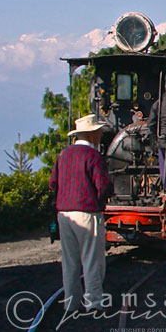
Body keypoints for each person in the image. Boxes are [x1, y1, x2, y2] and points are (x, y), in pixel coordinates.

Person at [49, 114, 114, 313]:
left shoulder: (64, 155)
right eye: (99, 132)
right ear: (93, 134)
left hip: (64, 213)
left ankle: (71, 303)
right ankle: (93, 302)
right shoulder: (93, 156)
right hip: (87, 211)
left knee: (70, 261)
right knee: (92, 259)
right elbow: (102, 186)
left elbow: (53, 183)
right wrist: (102, 199)